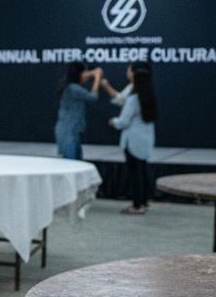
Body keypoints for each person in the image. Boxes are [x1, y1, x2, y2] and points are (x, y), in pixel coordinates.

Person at [109, 64, 158, 214]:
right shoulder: (150, 98)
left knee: (135, 174)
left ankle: (137, 206)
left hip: (132, 142)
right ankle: (143, 202)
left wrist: (113, 121)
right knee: (142, 171)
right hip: (146, 141)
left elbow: (124, 121)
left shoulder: (133, 99)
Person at [54, 61, 102, 160]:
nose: (87, 76)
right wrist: (97, 78)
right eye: (85, 73)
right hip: (69, 133)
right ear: (78, 74)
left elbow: (83, 77)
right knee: (71, 165)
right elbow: (93, 97)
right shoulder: (73, 88)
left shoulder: (71, 87)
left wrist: (92, 73)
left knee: (77, 163)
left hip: (71, 132)